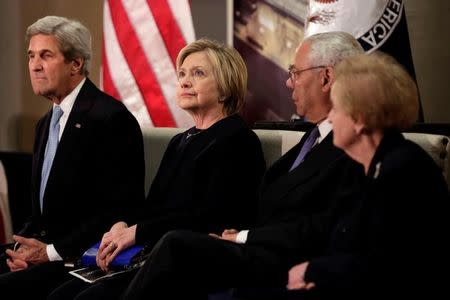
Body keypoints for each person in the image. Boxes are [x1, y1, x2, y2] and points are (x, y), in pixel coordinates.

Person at [106, 31, 366, 299]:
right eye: (182, 74)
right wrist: (124, 226)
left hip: (278, 261)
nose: (289, 83)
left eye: (296, 73)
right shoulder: (310, 141)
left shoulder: (355, 147)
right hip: (241, 247)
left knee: (174, 246)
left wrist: (244, 237)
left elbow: (322, 224)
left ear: (326, 78)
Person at [47, 38, 266, 299]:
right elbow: (154, 208)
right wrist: (122, 226)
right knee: (60, 295)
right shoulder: (180, 141)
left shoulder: (237, 138)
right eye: (182, 73)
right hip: (149, 255)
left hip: (190, 263)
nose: (184, 81)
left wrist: (136, 232)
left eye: (198, 73)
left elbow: (209, 216)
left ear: (225, 87)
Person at [0, 15, 145, 298]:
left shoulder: (111, 118)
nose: (34, 65)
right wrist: (23, 249)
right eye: (31, 56)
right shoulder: (45, 123)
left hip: (78, 260)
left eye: (45, 55)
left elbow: (120, 211)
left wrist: (50, 253)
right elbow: (41, 214)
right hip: (43, 254)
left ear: (76, 63)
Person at [285, 52, 449, 298]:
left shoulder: (404, 170)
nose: (330, 117)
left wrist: (314, 271)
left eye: (336, 108)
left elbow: (385, 265)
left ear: (360, 119)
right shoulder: (368, 165)